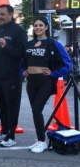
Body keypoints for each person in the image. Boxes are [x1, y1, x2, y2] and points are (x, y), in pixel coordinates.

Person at [22, 17, 71, 153]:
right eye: (35, 25)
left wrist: (54, 73)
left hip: (46, 82)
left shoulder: (53, 44)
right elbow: (21, 62)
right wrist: (23, 71)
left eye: (41, 25)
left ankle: (42, 141)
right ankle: (39, 140)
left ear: (46, 27)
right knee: (35, 111)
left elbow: (67, 63)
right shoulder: (29, 44)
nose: (38, 27)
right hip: (31, 82)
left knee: (37, 109)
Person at [0, 4, 27, 147]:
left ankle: (11, 136)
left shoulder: (18, 31)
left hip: (12, 76)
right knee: (0, 104)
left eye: (3, 14)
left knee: (11, 105)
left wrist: (6, 46)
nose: (0, 17)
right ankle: (3, 132)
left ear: (11, 14)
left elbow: (21, 52)